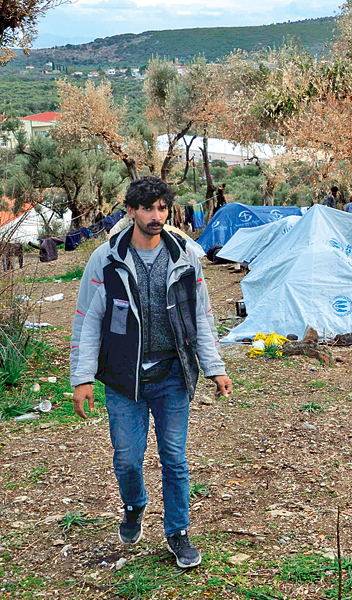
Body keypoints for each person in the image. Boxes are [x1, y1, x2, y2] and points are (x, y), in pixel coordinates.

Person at [70, 176, 232, 569]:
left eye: (162, 208)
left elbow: (202, 317)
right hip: (123, 377)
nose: (156, 216)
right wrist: (82, 377)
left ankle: (178, 532)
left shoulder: (185, 257)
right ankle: (134, 505)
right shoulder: (106, 259)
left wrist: (215, 368)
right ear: (131, 211)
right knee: (127, 458)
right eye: (147, 208)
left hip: (172, 374)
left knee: (174, 458)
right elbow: (87, 321)